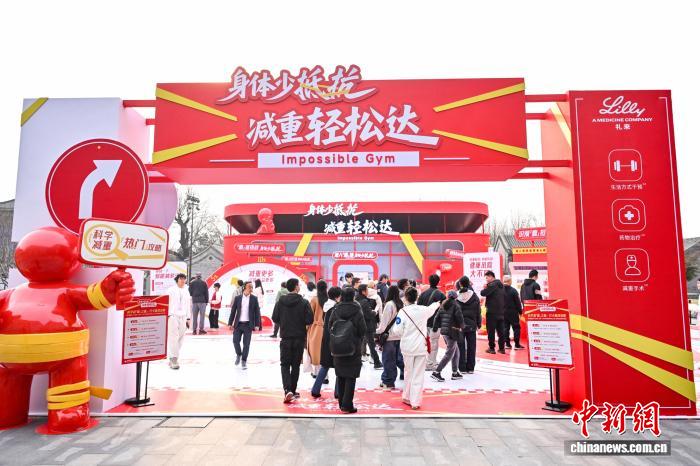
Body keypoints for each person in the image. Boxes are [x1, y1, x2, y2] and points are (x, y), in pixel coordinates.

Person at [395, 287, 440, 410]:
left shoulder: (403, 312)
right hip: (421, 347)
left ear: (405, 297)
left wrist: (405, 333)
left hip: (407, 347)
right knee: (418, 375)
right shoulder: (423, 310)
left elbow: (397, 330)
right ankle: (415, 401)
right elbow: (432, 308)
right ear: (417, 297)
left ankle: (407, 396)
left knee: (408, 372)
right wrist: (437, 303)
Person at [272, 278, 313, 403]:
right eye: (298, 285)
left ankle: (287, 390)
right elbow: (309, 320)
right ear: (295, 287)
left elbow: (275, 318)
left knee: (284, 364)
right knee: (295, 365)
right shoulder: (304, 302)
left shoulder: (280, 301)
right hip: (299, 338)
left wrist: (285, 322)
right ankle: (292, 390)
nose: (299, 287)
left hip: (285, 338)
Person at [326, 286, 367, 413]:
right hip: (353, 347)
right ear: (353, 296)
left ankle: (341, 403)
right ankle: (347, 405)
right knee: (351, 375)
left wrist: (338, 337)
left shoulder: (336, 309)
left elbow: (330, 326)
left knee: (341, 375)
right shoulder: (357, 309)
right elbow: (363, 330)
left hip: (337, 346)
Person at [311, 286, 342, 398]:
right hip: (335, 339)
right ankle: (338, 392)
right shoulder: (337, 308)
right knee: (339, 366)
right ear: (337, 296)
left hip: (325, 338)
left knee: (325, 366)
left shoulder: (325, 306)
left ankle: (315, 390)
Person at [431, 290, 465, 382]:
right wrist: (463, 327)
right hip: (453, 332)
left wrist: (435, 328)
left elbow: (437, 317)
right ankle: (437, 372)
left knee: (456, 351)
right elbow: (460, 318)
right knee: (449, 353)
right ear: (456, 297)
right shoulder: (456, 305)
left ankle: (455, 372)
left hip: (445, 331)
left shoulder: (443, 305)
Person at [228, 281, 262, 369]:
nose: (251, 288)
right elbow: (233, 311)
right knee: (235, 341)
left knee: (246, 344)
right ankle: (239, 354)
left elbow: (257, 312)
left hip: (248, 325)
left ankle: (244, 360)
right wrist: (230, 323)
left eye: (252, 287)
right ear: (244, 287)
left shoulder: (254, 298)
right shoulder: (237, 298)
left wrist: (257, 324)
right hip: (238, 324)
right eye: (249, 286)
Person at [377, 285, 405, 389]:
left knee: (388, 360)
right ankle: (404, 375)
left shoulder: (389, 305)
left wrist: (377, 332)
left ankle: (388, 382)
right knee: (398, 359)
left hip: (389, 337)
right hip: (400, 336)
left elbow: (384, 323)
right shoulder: (402, 304)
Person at [418, 274, 446, 371]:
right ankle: (430, 363)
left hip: (424, 322)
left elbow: (419, 308)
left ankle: (428, 361)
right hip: (436, 323)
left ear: (429, 281)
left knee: (426, 343)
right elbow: (445, 309)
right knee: (434, 343)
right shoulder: (441, 295)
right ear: (438, 282)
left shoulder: (423, 294)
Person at [455, 276, 481, 374]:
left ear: (460, 284)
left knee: (460, 346)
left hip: (459, 325)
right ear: (469, 283)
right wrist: (478, 324)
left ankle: (462, 368)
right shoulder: (474, 296)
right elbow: (478, 312)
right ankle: (470, 368)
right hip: (472, 325)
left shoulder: (456, 296)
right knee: (471, 346)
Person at [167, 273, 192, 370]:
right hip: (173, 315)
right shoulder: (171, 290)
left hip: (183, 316)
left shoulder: (186, 291)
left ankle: (173, 356)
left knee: (181, 338)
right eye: (181, 279)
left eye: (184, 279)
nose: (183, 280)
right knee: (173, 337)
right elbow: (166, 302)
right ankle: (174, 359)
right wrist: (168, 315)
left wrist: (188, 318)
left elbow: (188, 305)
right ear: (177, 280)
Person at [481, 271, 507, 354]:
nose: (486, 279)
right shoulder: (501, 285)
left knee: (491, 331)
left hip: (492, 312)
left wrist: (485, 287)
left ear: (491, 276)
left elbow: (483, 293)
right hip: (501, 311)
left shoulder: (492, 285)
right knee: (501, 331)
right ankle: (502, 348)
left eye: (487, 277)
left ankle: (491, 348)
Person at [357, 284, 382, 369]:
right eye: (367, 290)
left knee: (360, 344)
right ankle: (377, 363)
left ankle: (360, 361)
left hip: (359, 325)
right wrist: (374, 312)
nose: (368, 291)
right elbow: (369, 315)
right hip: (367, 325)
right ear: (363, 291)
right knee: (371, 345)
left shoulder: (357, 299)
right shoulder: (364, 301)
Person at [307, 280, 327, 377]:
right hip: (327, 328)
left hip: (316, 329)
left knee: (315, 351)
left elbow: (310, 316)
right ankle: (325, 376)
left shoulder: (314, 299)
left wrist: (306, 328)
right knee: (325, 352)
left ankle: (316, 372)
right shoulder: (329, 300)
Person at [503, 275, 524, 350]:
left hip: (503, 312)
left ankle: (507, 344)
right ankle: (517, 345)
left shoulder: (500, 291)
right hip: (513, 312)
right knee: (516, 328)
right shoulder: (513, 290)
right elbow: (518, 303)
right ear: (509, 281)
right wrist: (520, 312)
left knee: (505, 328)